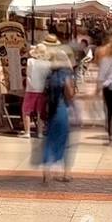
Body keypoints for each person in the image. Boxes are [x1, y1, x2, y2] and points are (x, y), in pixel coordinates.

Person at [40, 47, 75, 183]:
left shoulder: (49, 75)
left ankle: (46, 172)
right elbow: (69, 93)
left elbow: (44, 93)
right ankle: (66, 173)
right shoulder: (65, 74)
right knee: (65, 141)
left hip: (51, 110)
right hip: (62, 109)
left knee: (50, 141)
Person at [22, 42, 51, 139]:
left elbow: (28, 74)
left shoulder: (30, 61)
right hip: (42, 90)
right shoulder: (48, 63)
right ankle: (40, 133)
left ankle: (27, 132)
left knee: (26, 111)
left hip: (31, 89)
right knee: (40, 112)